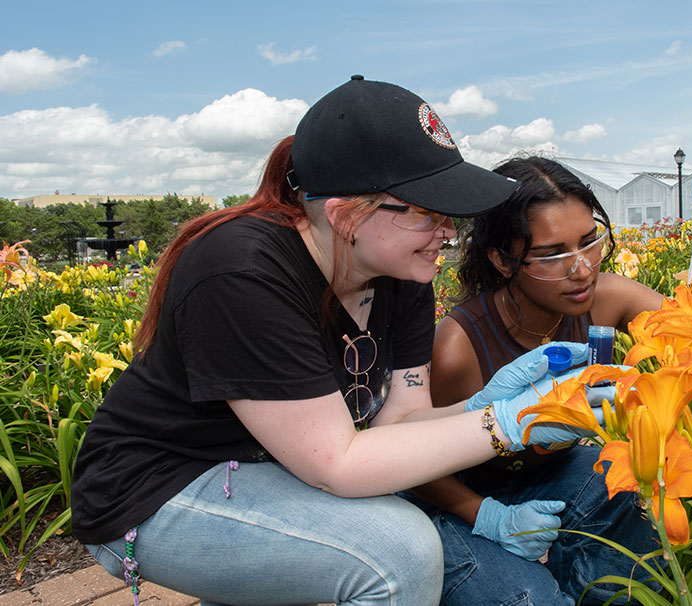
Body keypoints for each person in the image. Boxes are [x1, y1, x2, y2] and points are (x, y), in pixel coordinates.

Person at [70, 77, 606, 606]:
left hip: (272, 469)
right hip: (160, 487)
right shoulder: (242, 270)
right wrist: (513, 422)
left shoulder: (403, 273)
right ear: (344, 213)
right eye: (427, 211)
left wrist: (487, 405)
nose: (449, 231)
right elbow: (339, 464)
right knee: (398, 552)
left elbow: (397, 423)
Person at [410, 156, 692, 605]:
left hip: (557, 477)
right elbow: (414, 462)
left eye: (590, 243)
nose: (582, 269)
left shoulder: (607, 299)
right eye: (552, 254)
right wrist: (489, 517)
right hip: (461, 500)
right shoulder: (457, 346)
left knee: (627, 586)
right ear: (502, 259)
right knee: (529, 599)